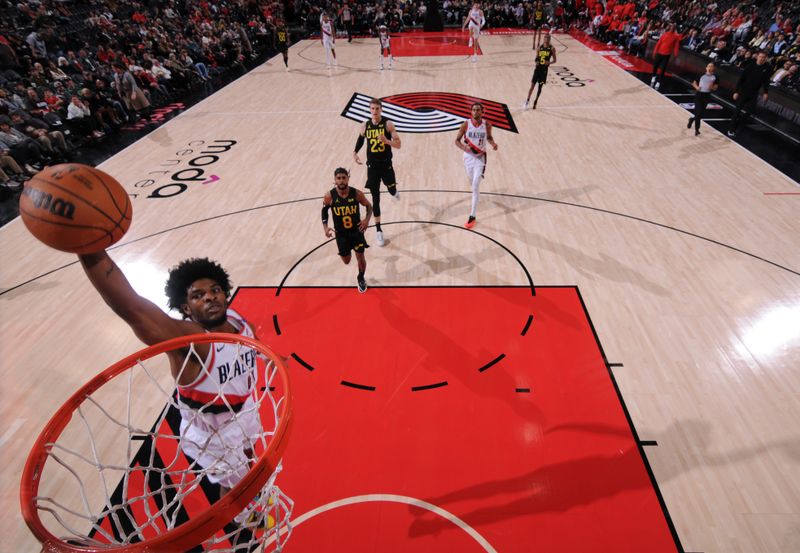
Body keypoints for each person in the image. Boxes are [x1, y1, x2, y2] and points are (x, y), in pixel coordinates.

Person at [77, 251, 269, 516]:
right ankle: (246, 517)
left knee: (249, 457)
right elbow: (132, 308)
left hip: (243, 411)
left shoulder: (235, 319)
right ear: (186, 309)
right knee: (236, 483)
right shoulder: (190, 342)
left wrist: (270, 355)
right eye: (197, 295)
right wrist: (90, 251)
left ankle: (249, 497)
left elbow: (252, 341)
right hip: (215, 436)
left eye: (215, 290)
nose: (210, 296)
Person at [353, 98, 401, 247]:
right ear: (369, 110)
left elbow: (399, 144)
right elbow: (361, 140)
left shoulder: (387, 124)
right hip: (372, 167)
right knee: (375, 198)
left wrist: (387, 141)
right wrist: (355, 152)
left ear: (381, 110)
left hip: (386, 165)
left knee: (391, 189)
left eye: (377, 109)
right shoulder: (365, 125)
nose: (374, 111)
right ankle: (379, 230)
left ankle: (393, 191)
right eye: (372, 109)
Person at [322, 167, 373, 293]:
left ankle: (361, 278)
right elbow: (324, 211)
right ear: (335, 180)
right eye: (338, 178)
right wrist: (325, 227)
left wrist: (366, 220)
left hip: (356, 232)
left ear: (348, 178)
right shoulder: (329, 196)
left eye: (344, 178)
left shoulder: (356, 194)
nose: (341, 181)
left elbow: (369, 206)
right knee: (346, 261)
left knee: (360, 256)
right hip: (341, 234)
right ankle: (348, 252)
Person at [454, 102, 498, 229]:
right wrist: (464, 148)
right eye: (474, 110)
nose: (476, 112)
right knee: (471, 182)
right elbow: (456, 141)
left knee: (475, 185)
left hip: (480, 157)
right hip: (468, 157)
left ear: (482, 112)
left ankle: (472, 215)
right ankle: (475, 189)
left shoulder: (487, 124)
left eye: (478, 110)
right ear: (471, 111)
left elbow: (489, 137)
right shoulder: (465, 124)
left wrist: (493, 144)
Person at [728, 50, 772, 137]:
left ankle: (740, 123)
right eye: (760, 57)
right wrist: (736, 91)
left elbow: (766, 81)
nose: (762, 59)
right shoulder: (750, 66)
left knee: (751, 110)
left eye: (764, 57)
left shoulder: (767, 68)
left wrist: (765, 92)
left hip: (754, 92)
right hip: (744, 91)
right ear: (757, 57)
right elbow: (741, 79)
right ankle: (731, 129)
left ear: (766, 59)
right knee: (737, 110)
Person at [524, 32, 557, 109]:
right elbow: (536, 59)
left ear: (549, 39)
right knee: (532, 86)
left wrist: (549, 62)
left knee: (540, 87)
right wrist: (536, 62)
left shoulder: (552, 49)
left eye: (548, 38)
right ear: (544, 38)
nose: (546, 39)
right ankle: (527, 101)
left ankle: (536, 100)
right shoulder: (539, 48)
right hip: (537, 70)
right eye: (545, 38)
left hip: (544, 71)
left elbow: (555, 60)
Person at [687, 62, 718, 136]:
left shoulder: (715, 77)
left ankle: (691, 119)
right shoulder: (701, 75)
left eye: (711, 66)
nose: (710, 68)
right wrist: (697, 88)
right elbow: (694, 83)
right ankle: (697, 130)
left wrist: (712, 88)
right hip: (699, 95)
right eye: (709, 66)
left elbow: (716, 87)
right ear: (706, 68)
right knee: (698, 113)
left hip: (707, 96)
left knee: (700, 114)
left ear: (714, 68)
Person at [650, 23, 681, 90]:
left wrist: (675, 56)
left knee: (663, 69)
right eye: (672, 27)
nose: (672, 28)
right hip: (659, 53)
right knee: (655, 66)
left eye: (674, 27)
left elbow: (676, 47)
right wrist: (655, 51)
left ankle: (658, 82)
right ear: (670, 27)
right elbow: (659, 43)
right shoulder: (665, 34)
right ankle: (654, 76)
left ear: (675, 28)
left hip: (666, 55)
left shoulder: (676, 37)